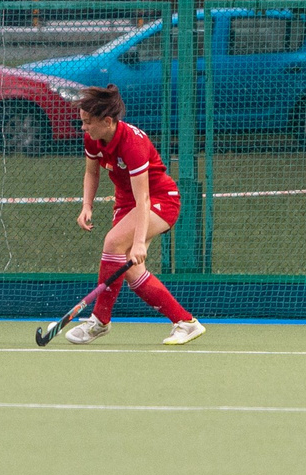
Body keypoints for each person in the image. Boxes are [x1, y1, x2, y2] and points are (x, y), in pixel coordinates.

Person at [67, 84, 205, 346]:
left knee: (112, 243)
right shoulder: (93, 138)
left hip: (160, 200)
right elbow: (92, 172)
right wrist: (87, 205)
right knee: (131, 272)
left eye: (87, 122)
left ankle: (99, 321)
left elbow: (143, 199)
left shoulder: (133, 144)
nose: (83, 127)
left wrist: (140, 242)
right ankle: (186, 322)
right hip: (126, 203)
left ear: (107, 121)